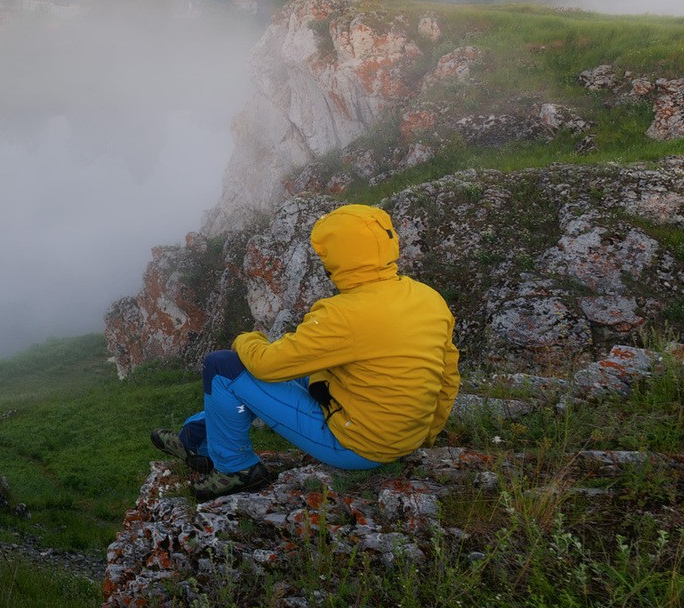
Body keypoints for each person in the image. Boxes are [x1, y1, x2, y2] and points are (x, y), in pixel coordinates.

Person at [152, 203, 460, 499]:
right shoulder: (428, 298)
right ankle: (193, 441)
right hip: (406, 437)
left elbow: (266, 366)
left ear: (338, 258)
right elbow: (448, 377)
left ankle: (236, 469)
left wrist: (247, 338)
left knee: (223, 368)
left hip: (357, 446)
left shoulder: (343, 313)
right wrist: (425, 436)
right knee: (297, 375)